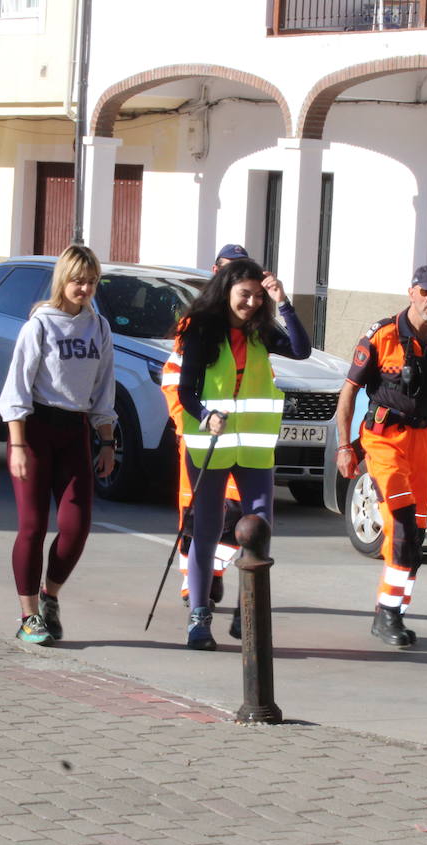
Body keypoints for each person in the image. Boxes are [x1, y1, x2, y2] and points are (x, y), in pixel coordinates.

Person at [335, 264, 427, 648]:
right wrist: (345, 446)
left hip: (424, 441)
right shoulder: (381, 336)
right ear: (411, 292)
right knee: (399, 523)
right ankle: (387, 616)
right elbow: (348, 392)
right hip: (384, 440)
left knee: (414, 534)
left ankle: (392, 609)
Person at [175, 258, 310, 649]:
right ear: (226, 292)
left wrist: (282, 301)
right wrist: (204, 413)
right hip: (211, 444)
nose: (250, 302)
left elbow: (301, 350)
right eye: (243, 295)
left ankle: (246, 607)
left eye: (256, 295)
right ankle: (199, 618)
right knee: (206, 529)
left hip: (253, 445)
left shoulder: (261, 330)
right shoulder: (202, 330)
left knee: (260, 527)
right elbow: (187, 390)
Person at [0, 244, 117, 646]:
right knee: (32, 526)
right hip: (35, 431)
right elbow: (16, 387)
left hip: (75, 431)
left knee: (76, 526)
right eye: (77, 280)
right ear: (62, 281)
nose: (84, 288)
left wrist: (106, 442)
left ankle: (51, 595)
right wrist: (16, 445)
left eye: (91, 282)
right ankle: (28, 614)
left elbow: (104, 389)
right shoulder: (40, 326)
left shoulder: (99, 328)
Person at [159, 243, 252, 637]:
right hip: (199, 434)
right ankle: (192, 585)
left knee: (235, 512)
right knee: (194, 513)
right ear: (215, 273)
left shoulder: (251, 325)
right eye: (227, 271)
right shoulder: (194, 325)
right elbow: (175, 382)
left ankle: (211, 571)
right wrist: (188, 424)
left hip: (239, 438)